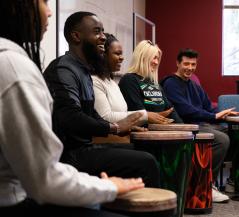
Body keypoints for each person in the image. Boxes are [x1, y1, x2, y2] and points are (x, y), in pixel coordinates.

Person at [0, 1, 143, 216]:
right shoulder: (18, 67)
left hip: (33, 181)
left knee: (142, 155)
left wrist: (117, 127)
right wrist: (110, 186)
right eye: (43, 2)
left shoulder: (83, 71)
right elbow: (44, 176)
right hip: (22, 193)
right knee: (145, 162)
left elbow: (88, 113)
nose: (49, 11)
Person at [43, 12, 160, 188]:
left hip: (84, 149)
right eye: (97, 31)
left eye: (103, 32)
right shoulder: (63, 69)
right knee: (146, 161)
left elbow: (92, 114)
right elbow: (70, 117)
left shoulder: (83, 70)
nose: (103, 37)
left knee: (148, 150)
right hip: (69, 155)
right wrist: (114, 127)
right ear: (76, 36)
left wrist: (121, 128)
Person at [161, 48, 239, 203]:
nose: (190, 68)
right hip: (185, 126)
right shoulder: (170, 84)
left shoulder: (193, 85)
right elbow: (186, 111)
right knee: (222, 140)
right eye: (186, 63)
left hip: (200, 124)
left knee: (236, 130)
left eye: (193, 64)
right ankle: (206, 184)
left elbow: (208, 106)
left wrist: (222, 114)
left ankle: (232, 181)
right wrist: (213, 116)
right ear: (177, 63)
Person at [91, 34, 174, 125]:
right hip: (115, 137)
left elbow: (170, 109)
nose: (122, 58)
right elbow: (105, 117)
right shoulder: (97, 81)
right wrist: (146, 115)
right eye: (117, 53)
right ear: (103, 54)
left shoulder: (113, 83)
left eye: (158, 58)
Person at [119, 40, 182, 123]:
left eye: (158, 58)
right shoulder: (129, 80)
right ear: (142, 57)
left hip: (162, 130)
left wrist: (182, 127)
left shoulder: (154, 83)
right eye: (154, 58)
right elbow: (139, 114)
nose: (156, 62)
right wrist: (158, 117)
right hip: (144, 132)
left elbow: (170, 110)